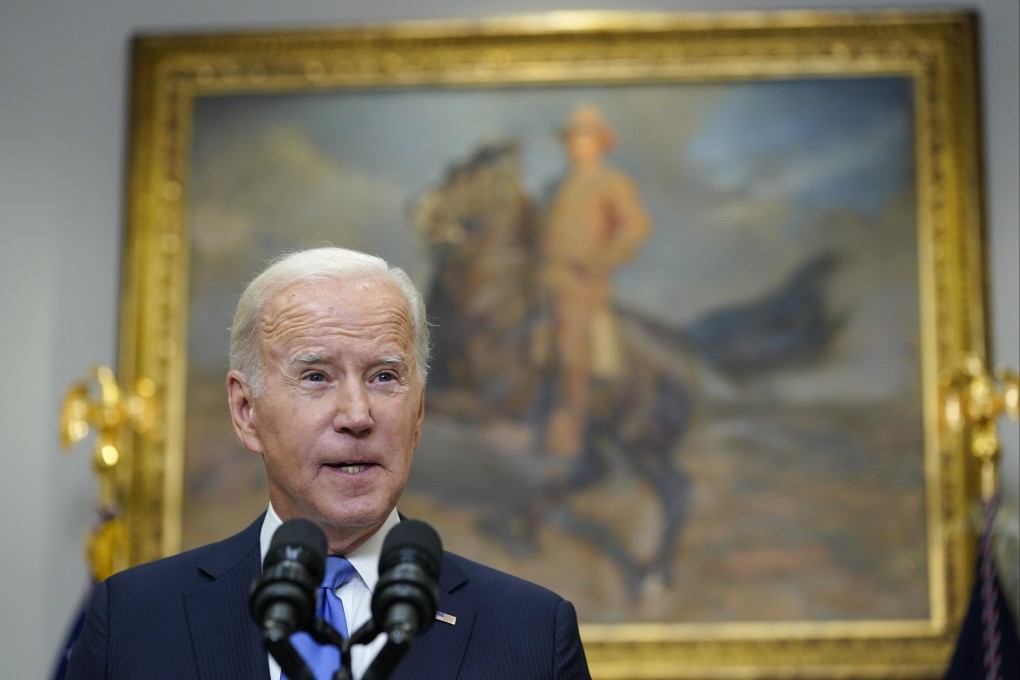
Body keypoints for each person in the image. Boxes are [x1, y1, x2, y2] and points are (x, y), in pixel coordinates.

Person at [66, 247, 591, 680]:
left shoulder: (533, 635)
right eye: (316, 376)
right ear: (246, 411)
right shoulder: (134, 619)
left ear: (419, 412)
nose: (358, 415)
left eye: (385, 377)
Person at [537, 105, 652, 457]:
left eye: (585, 138)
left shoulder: (612, 182)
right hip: (545, 278)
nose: (577, 145)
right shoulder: (556, 187)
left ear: (600, 143)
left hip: (582, 284)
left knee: (570, 338)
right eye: (572, 138)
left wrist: (599, 261)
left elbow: (635, 227)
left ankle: (572, 424)